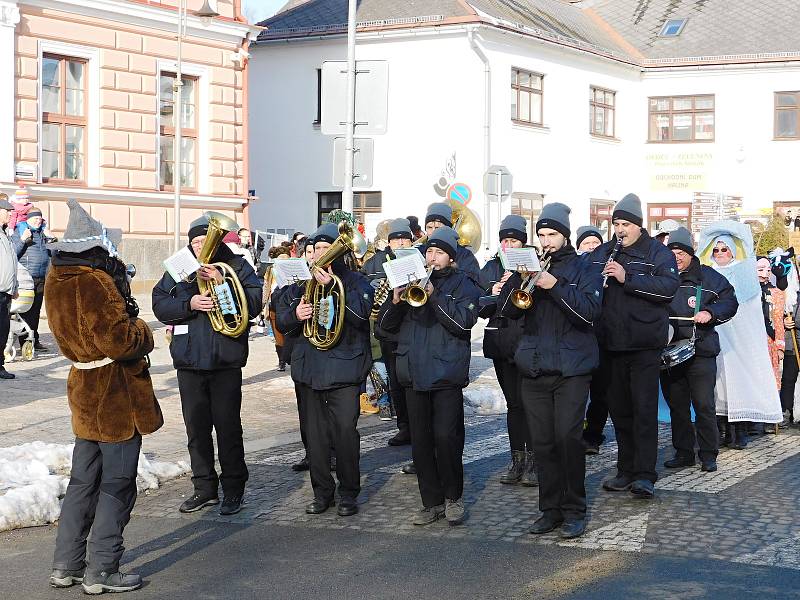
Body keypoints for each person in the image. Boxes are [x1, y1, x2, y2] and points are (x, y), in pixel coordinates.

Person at [45, 199, 162, 594]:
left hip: (82, 384)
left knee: (82, 481)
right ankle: (102, 570)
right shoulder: (95, 281)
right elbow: (118, 341)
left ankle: (66, 565)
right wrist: (143, 330)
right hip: (114, 392)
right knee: (117, 483)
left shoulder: (55, 277)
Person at [499, 203, 602, 538]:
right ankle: (550, 509)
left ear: (565, 235)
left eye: (552, 234)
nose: (546, 241)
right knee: (542, 444)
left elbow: (588, 313)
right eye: (541, 235)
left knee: (567, 439)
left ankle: (574, 509)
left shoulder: (584, 268)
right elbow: (507, 313)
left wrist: (552, 285)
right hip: (533, 367)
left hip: (572, 368)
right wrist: (515, 283)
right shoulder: (528, 264)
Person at [152, 215, 262, 517]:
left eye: (206, 240)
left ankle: (234, 488)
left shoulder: (236, 265)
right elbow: (159, 304)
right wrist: (189, 305)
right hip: (189, 360)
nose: (201, 246)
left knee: (228, 428)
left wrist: (223, 282)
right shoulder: (180, 266)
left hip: (225, 359)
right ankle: (204, 488)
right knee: (196, 429)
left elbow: (254, 302)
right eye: (196, 241)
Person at [378, 226, 482, 526]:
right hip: (412, 373)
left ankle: (453, 498)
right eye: (429, 252)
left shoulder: (464, 284)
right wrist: (396, 301)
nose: (432, 257)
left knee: (446, 438)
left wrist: (435, 297)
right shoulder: (410, 283)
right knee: (421, 443)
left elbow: (462, 325)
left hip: (446, 373)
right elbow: (383, 329)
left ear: (451, 257)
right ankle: (431, 502)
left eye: (438, 252)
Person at [276, 222, 374, 517]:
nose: (319, 254)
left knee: (345, 433)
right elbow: (281, 322)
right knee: (315, 437)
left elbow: (361, 315)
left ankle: (348, 492)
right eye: (315, 249)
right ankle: (322, 492)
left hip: (344, 368)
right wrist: (295, 313)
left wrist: (334, 287)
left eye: (325, 248)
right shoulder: (300, 286)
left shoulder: (356, 282)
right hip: (310, 369)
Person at [589, 193, 679, 499]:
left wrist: (628, 278)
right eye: (616, 224)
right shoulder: (604, 251)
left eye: (626, 224)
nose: (620, 230)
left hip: (643, 345)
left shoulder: (658, 253)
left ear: (639, 225)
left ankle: (644, 474)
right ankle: (625, 469)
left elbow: (668, 289)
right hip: (611, 344)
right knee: (620, 412)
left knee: (643, 411)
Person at [698, 222, 783, 449]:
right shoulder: (706, 271)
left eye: (724, 249)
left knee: (739, 381)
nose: (719, 254)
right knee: (716, 385)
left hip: (739, 339)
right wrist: (709, 232)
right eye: (715, 250)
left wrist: (721, 227)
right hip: (714, 334)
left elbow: (745, 236)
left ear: (733, 250)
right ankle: (718, 431)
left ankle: (739, 432)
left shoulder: (744, 271)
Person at [660, 227, 738, 473]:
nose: (677, 257)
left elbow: (729, 301)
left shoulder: (709, 277)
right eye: (672, 251)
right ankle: (683, 452)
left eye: (681, 252)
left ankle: (708, 454)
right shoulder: (661, 276)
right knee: (677, 407)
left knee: (704, 405)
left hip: (700, 351)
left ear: (691, 253)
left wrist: (711, 313)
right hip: (669, 353)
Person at [479, 215, 534, 485]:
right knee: (513, 404)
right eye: (504, 240)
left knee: (530, 404)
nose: (508, 245)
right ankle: (517, 461)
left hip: (527, 341)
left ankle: (534, 461)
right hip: (501, 342)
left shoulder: (532, 264)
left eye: (513, 240)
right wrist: (496, 291)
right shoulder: (491, 267)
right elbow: (479, 307)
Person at [365, 218, 415, 445]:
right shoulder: (375, 262)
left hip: (412, 331)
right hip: (387, 332)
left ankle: (416, 428)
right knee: (395, 382)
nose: (401, 243)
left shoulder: (419, 261)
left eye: (405, 239)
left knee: (411, 383)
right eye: (396, 239)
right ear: (389, 242)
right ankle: (404, 426)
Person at [12, 207, 51, 351]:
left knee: (36, 311)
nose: (38, 221)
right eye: (35, 218)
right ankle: (24, 342)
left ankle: (34, 340)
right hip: (25, 279)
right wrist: (23, 240)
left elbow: (53, 254)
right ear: (28, 219)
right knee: (25, 312)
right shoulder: (21, 231)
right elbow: (13, 253)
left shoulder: (43, 233)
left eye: (40, 219)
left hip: (41, 278)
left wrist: (51, 238)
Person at [421, 202, 481, 284]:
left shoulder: (465, 256)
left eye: (438, 227)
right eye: (429, 227)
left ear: (448, 228)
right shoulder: (419, 251)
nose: (433, 231)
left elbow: (472, 285)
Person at [0, 194, 19, 380]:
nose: (10, 215)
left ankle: (0, 366)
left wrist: (15, 286)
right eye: (7, 212)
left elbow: (12, 262)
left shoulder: (5, 234)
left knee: (3, 330)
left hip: (5, 292)